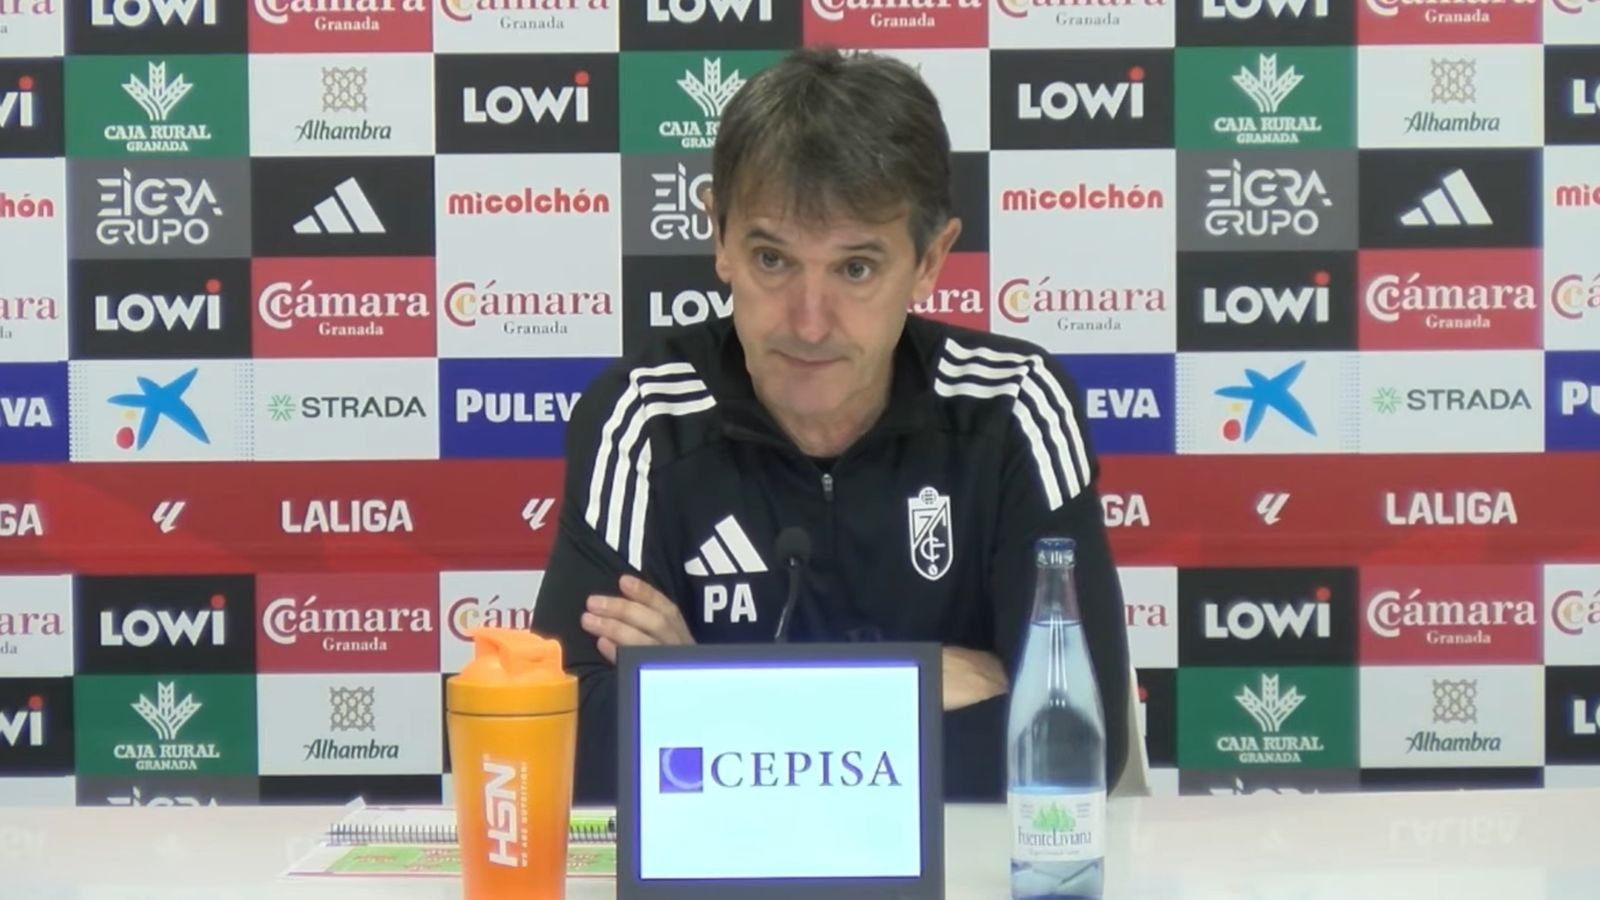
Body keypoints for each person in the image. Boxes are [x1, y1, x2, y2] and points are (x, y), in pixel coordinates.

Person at [530, 46, 1130, 804]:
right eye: (773, 258)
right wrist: (907, 687)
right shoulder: (644, 417)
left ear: (930, 260)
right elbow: (573, 739)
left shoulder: (1013, 405)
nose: (809, 324)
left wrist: (699, 697)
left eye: (855, 268)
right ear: (719, 237)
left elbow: (1076, 735)